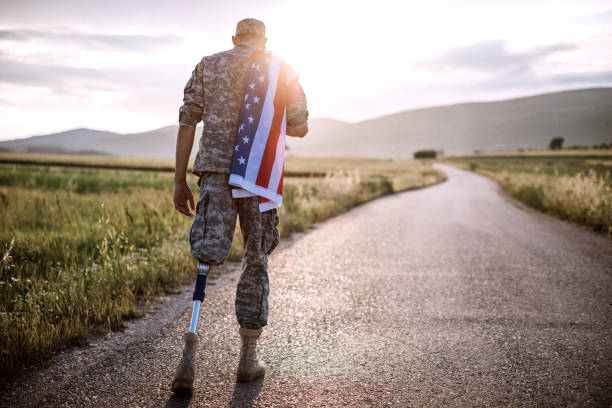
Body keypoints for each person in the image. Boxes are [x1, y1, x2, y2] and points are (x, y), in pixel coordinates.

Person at [171, 18, 308, 393]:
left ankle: (188, 361)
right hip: (257, 177)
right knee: (256, 258)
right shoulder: (280, 69)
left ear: (234, 39)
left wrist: (180, 178)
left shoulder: (208, 65)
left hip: (214, 173)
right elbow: (299, 127)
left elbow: (187, 122)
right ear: (264, 41)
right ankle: (247, 360)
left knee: (205, 257)